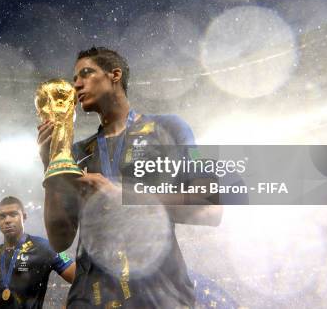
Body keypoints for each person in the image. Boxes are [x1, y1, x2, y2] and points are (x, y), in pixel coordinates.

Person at [37, 46, 222, 308]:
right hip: (91, 296)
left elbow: (210, 207)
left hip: (157, 292)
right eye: (75, 78)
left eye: (86, 73)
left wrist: (120, 195)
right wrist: (52, 165)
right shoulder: (77, 152)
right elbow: (60, 239)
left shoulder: (170, 128)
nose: (76, 84)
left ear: (115, 75)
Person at [0, 196, 75, 309]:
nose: (7, 220)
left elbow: (80, 278)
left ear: (24, 217)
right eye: (2, 216)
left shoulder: (46, 247)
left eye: (13, 214)